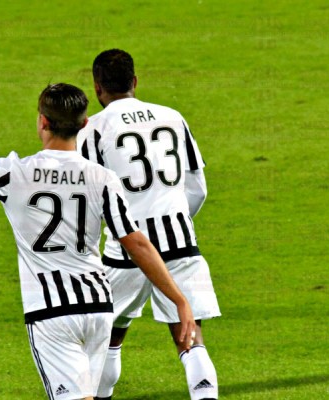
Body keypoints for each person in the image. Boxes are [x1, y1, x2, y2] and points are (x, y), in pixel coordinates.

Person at [0, 81, 196, 400]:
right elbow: (137, 244)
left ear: (43, 121)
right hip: (99, 309)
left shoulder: (15, 174)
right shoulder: (103, 179)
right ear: (84, 124)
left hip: (52, 313)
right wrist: (179, 299)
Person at [77, 49, 221, 400]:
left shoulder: (91, 130)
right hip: (180, 242)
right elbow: (198, 189)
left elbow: (87, 200)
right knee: (190, 338)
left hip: (125, 249)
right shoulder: (173, 117)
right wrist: (175, 220)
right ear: (135, 81)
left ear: (97, 88)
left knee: (108, 336)